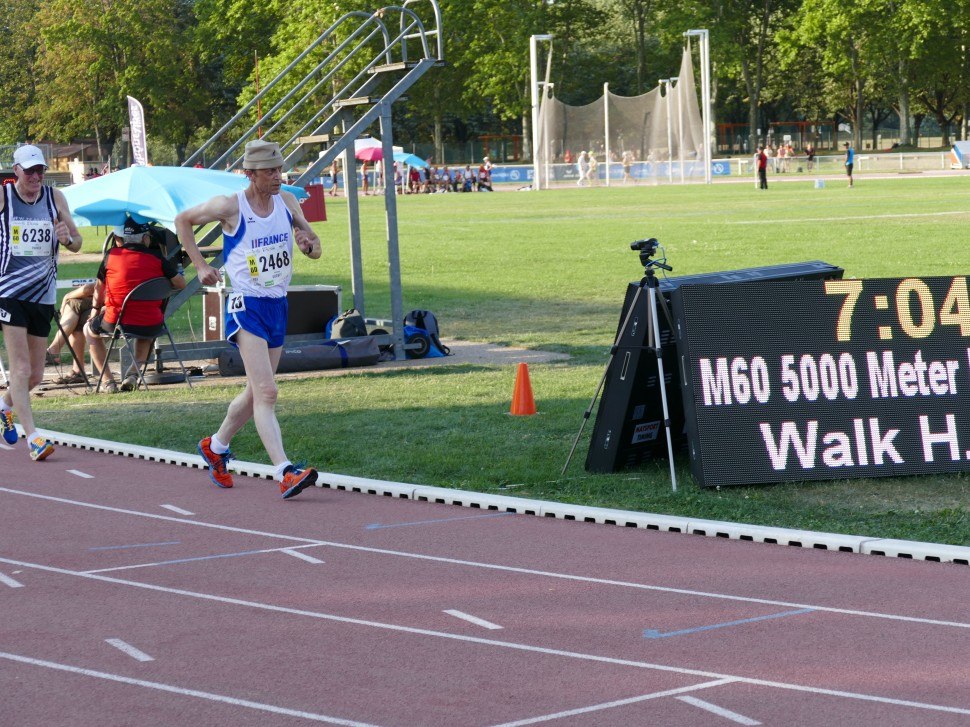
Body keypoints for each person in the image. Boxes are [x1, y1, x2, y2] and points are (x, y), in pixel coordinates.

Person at [175, 139, 323, 500]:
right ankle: (285, 471)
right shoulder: (231, 205)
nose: (277, 177)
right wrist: (200, 264)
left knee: (256, 391)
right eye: (270, 172)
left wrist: (307, 244)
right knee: (268, 391)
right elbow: (183, 220)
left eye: (279, 170)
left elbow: (316, 246)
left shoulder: (287, 202)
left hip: (277, 304)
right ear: (250, 174)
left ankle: (217, 445)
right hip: (246, 305)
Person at [0, 144, 84, 460]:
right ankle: (33, 438)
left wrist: (67, 238)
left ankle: (4, 406)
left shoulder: (54, 198)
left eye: (40, 170)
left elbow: (76, 242)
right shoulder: (4, 197)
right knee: (19, 368)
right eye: (30, 170)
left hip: (43, 294)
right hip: (9, 291)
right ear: (16, 170)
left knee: (35, 375)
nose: (36, 176)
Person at [84, 218, 187, 393]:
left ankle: (108, 382)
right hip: (152, 322)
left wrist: (95, 311)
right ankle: (133, 374)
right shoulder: (157, 259)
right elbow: (181, 284)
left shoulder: (111, 256)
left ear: (120, 239)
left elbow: (99, 288)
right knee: (145, 333)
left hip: (115, 321)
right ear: (146, 239)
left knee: (89, 329)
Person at [46, 281, 95, 385]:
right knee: (77, 306)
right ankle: (77, 371)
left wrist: (66, 297)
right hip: (127, 311)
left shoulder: (116, 266)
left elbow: (90, 288)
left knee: (74, 303)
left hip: (116, 314)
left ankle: (53, 351)